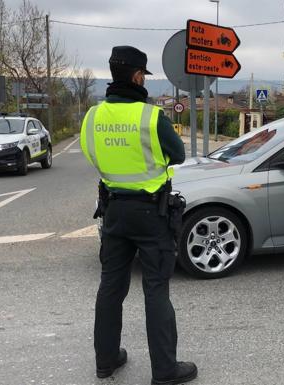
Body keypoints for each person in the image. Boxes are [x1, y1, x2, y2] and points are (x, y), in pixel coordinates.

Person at [80, 45, 198, 385]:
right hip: (151, 213)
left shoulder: (93, 116)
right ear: (136, 76)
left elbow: (92, 155)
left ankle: (106, 361)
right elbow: (177, 155)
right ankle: (164, 371)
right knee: (156, 290)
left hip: (114, 211)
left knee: (110, 288)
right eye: (143, 75)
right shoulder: (150, 116)